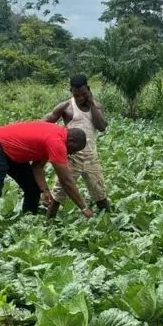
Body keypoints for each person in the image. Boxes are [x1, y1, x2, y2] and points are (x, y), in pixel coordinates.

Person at [0, 121, 93, 245]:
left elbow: (37, 167)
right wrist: (84, 207)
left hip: (12, 151)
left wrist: (44, 191)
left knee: (33, 190)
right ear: (70, 141)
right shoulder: (57, 142)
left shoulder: (56, 135)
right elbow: (66, 180)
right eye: (74, 149)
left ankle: (26, 228)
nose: (72, 153)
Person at [43, 74, 110, 218]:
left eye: (83, 94)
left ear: (89, 90)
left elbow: (102, 126)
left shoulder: (96, 106)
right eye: (76, 95)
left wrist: (91, 103)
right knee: (58, 195)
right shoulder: (66, 106)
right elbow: (44, 123)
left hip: (91, 157)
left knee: (100, 195)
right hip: (71, 158)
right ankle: (47, 226)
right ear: (71, 92)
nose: (80, 98)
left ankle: (110, 224)